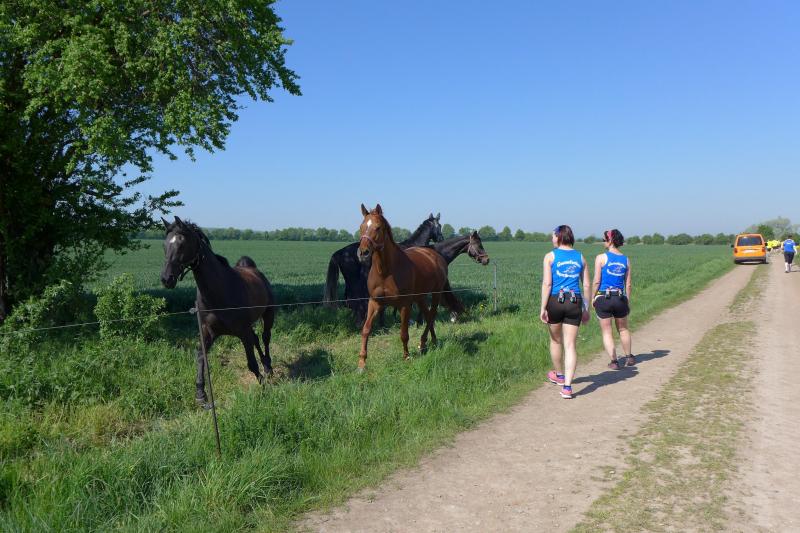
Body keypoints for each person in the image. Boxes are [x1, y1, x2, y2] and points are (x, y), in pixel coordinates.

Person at [540, 225, 591, 399]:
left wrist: (543, 307)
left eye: (553, 236)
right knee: (570, 345)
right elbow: (586, 285)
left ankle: (560, 375)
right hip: (575, 302)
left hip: (555, 301)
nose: (552, 239)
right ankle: (568, 387)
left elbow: (547, 284)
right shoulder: (580, 257)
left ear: (559, 237)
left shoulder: (550, 256)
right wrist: (586, 308)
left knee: (556, 340)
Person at [592, 229, 634, 369]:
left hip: (603, 297)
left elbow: (596, 281)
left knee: (607, 331)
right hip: (620, 298)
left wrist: (592, 297)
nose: (603, 242)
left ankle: (614, 361)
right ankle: (629, 357)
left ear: (610, 241)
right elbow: (628, 284)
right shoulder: (626, 260)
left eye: (604, 239)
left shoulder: (601, 258)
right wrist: (627, 301)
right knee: (623, 329)